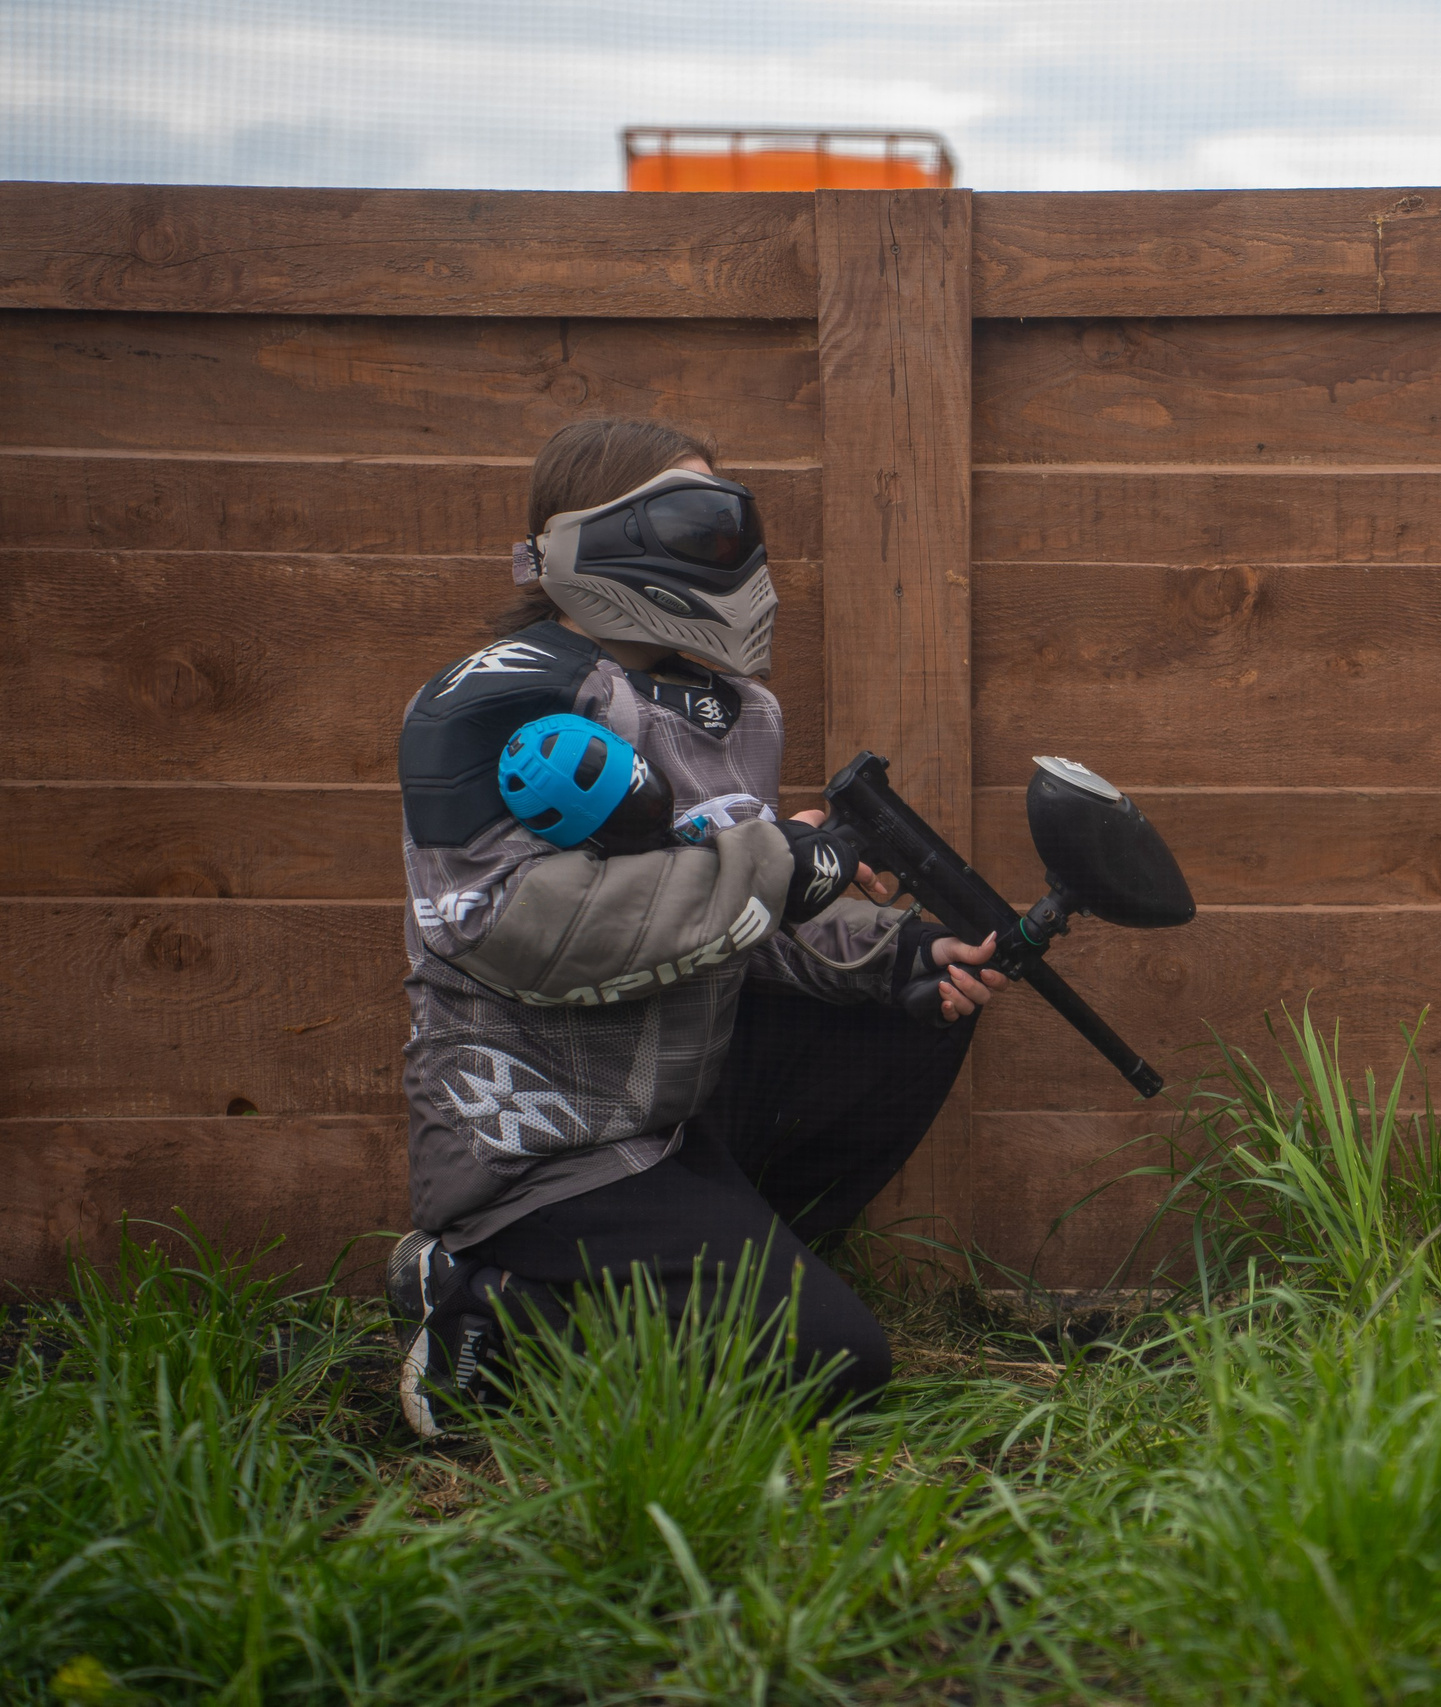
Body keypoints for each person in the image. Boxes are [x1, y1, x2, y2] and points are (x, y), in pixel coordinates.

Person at [384, 416, 1008, 1440]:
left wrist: (893, 950)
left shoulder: (737, 712)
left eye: (731, 526)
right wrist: (778, 860)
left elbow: (731, 913)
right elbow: (512, 930)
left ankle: (717, 1269)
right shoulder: (496, 699)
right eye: (695, 523)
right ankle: (487, 1301)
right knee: (835, 1364)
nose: (730, 553)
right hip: (542, 1144)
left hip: (674, 1112)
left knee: (913, 1002)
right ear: (588, 533)